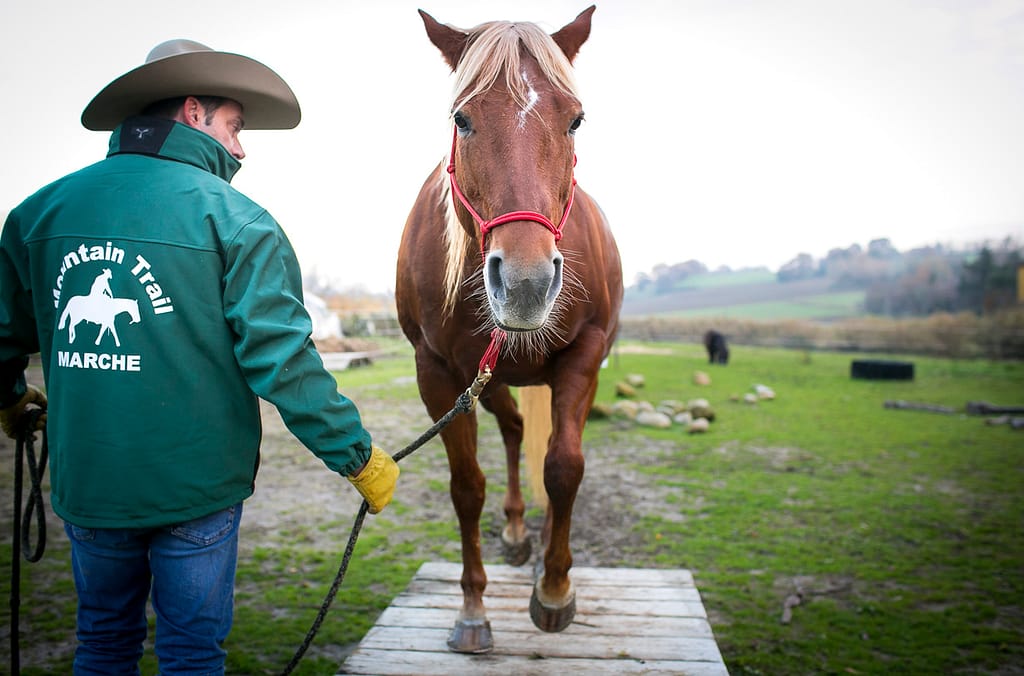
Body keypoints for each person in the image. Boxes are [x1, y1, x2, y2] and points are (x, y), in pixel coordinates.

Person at [0, 39, 399, 674]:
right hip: (197, 491)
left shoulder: (36, 214)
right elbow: (282, 361)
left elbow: (2, 339)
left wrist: (10, 401)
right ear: (192, 112)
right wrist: (356, 456)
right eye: (235, 127)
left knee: (101, 644)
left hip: (90, 484)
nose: (242, 148)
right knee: (191, 655)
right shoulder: (238, 220)